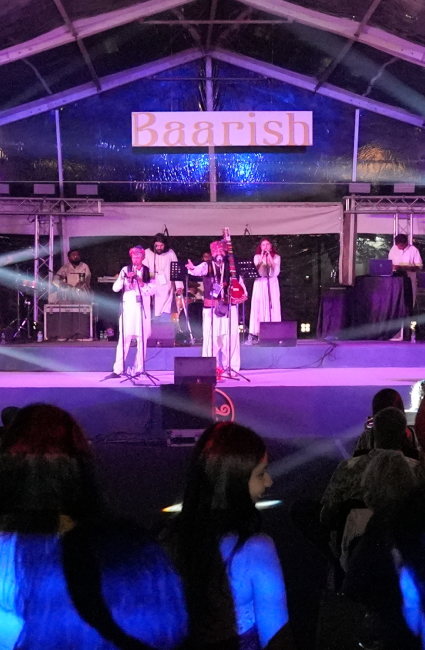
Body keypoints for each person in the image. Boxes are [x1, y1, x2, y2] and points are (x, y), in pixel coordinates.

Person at [165, 421, 295, 650]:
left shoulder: (165, 539)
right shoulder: (255, 549)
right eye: (260, 474)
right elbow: (277, 642)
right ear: (234, 482)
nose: (268, 482)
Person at [186, 240, 246, 377]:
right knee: (210, 338)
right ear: (212, 253)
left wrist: (242, 295)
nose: (218, 253)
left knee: (230, 338)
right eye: (216, 251)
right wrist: (192, 268)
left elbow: (240, 284)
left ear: (225, 252)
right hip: (211, 308)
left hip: (228, 307)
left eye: (221, 250)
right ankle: (210, 369)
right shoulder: (206, 265)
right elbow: (196, 271)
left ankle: (231, 368)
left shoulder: (232, 267)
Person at [108, 246, 155, 379]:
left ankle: (139, 369)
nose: (136, 259)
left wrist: (141, 282)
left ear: (143, 258)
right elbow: (115, 288)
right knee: (124, 339)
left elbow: (152, 290)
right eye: (134, 257)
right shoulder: (125, 270)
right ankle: (118, 369)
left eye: (138, 257)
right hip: (128, 309)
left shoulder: (149, 271)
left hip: (142, 310)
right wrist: (124, 280)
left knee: (142, 340)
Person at [246, 238, 281, 345]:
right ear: (260, 247)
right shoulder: (257, 257)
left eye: (267, 244)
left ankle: (273, 333)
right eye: (263, 245)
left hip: (271, 283)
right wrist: (262, 257)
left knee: (272, 305)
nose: (265, 246)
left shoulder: (276, 257)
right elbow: (256, 269)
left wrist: (269, 257)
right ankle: (256, 333)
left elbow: (276, 270)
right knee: (259, 306)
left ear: (271, 246)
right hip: (260, 283)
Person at [144, 233, 183, 322]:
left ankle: (164, 325)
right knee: (152, 311)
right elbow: (144, 270)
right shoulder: (147, 252)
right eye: (157, 245)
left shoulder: (170, 253)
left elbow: (176, 269)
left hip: (167, 286)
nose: (159, 248)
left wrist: (179, 286)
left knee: (165, 311)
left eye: (161, 245)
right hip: (153, 286)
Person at [388, 234, 423, 307]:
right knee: (396, 296)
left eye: (400, 246)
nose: (398, 247)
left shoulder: (413, 250)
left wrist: (402, 267)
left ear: (406, 243)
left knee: (410, 296)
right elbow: (389, 262)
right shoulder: (394, 249)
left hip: (409, 276)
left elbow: (419, 267)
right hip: (395, 276)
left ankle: (410, 310)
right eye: (397, 245)